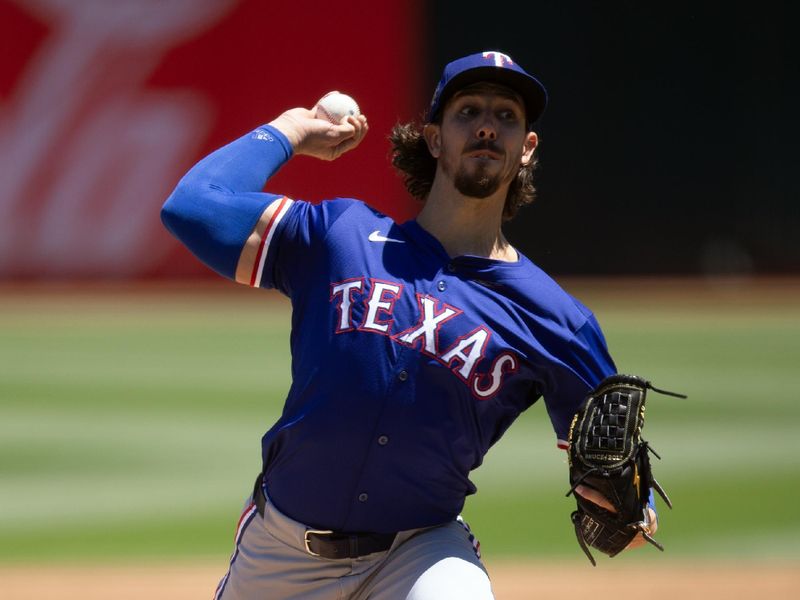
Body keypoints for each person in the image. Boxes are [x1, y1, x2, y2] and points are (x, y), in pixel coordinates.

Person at [161, 50, 654, 600]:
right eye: (468, 111)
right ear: (434, 139)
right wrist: (291, 129)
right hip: (281, 552)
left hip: (420, 553)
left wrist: (625, 508)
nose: (488, 125)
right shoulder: (338, 235)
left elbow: (625, 512)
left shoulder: (557, 319)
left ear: (526, 150)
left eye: (507, 117)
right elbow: (192, 206)